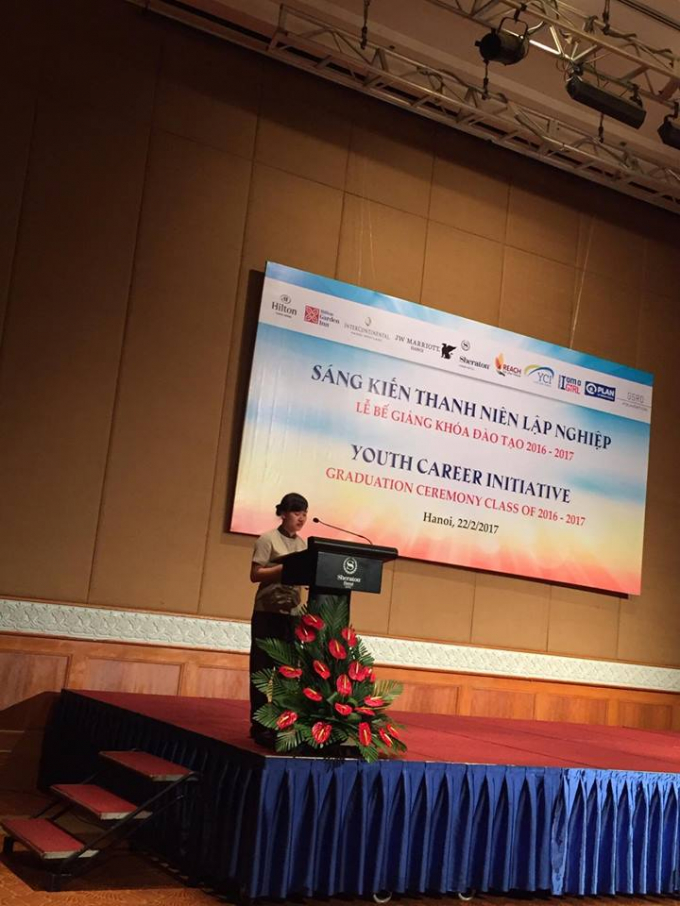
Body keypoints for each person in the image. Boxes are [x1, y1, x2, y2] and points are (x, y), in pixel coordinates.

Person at [249, 492, 308, 741]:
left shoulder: (303, 545)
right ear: (283, 513)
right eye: (296, 513)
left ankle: (282, 723)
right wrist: (283, 569)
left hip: (291, 614)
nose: (301, 518)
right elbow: (255, 574)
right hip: (267, 612)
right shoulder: (267, 539)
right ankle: (259, 724)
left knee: (288, 671)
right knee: (262, 669)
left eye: (304, 514)